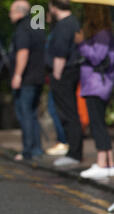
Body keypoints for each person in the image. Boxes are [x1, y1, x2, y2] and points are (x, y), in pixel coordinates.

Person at [75, 4, 114, 179]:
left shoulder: (103, 34)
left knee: (97, 124)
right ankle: (108, 162)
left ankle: (103, 162)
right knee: (98, 124)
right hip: (95, 83)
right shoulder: (102, 33)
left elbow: (97, 57)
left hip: (98, 84)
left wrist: (81, 44)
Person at [9, 0, 45, 161]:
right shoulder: (37, 26)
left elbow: (23, 52)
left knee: (25, 114)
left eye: (11, 11)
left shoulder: (22, 28)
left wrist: (17, 75)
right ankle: (36, 148)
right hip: (38, 76)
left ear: (19, 12)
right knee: (32, 114)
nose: (10, 15)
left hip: (26, 78)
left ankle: (28, 150)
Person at [48, 0, 83, 167]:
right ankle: (74, 151)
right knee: (71, 112)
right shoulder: (74, 21)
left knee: (68, 114)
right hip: (71, 72)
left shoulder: (63, 26)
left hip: (63, 74)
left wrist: (56, 75)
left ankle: (74, 153)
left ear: (54, 6)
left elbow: (60, 54)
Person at [45, 11, 69, 156]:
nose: (46, 15)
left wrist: (56, 75)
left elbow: (60, 53)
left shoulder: (58, 31)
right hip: (53, 75)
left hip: (58, 76)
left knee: (56, 109)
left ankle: (63, 141)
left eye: (48, 13)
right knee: (54, 109)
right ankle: (62, 140)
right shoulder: (52, 31)